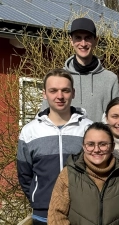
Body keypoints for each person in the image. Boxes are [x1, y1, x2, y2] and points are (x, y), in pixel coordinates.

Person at [17, 68, 92, 225]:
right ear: (44, 93)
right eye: (53, 90)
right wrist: (37, 198)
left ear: (73, 93)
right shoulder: (30, 131)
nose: (60, 96)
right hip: (42, 214)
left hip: (80, 213)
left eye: (65, 90)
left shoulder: (88, 129)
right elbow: (24, 174)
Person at [47, 122, 119, 225]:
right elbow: (56, 216)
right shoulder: (68, 174)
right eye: (90, 144)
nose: (96, 150)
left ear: (112, 146)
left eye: (103, 144)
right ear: (83, 146)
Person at [40, 17, 119, 122]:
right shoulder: (57, 79)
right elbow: (44, 118)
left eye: (87, 38)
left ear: (95, 41)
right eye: (78, 38)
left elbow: (118, 118)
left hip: (99, 138)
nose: (83, 43)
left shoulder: (111, 80)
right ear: (71, 41)